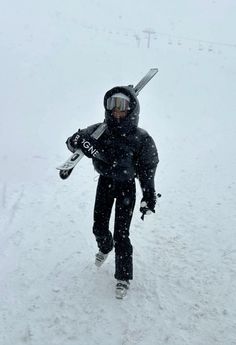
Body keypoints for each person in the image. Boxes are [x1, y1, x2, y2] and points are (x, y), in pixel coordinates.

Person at [66, 85, 159, 298]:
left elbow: (147, 168)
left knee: (121, 233)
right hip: (105, 182)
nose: (117, 111)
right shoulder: (100, 130)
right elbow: (73, 143)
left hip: (126, 186)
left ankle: (123, 277)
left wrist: (149, 195)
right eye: (112, 105)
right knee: (99, 225)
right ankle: (105, 247)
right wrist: (77, 142)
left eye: (122, 106)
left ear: (132, 109)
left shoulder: (140, 138)